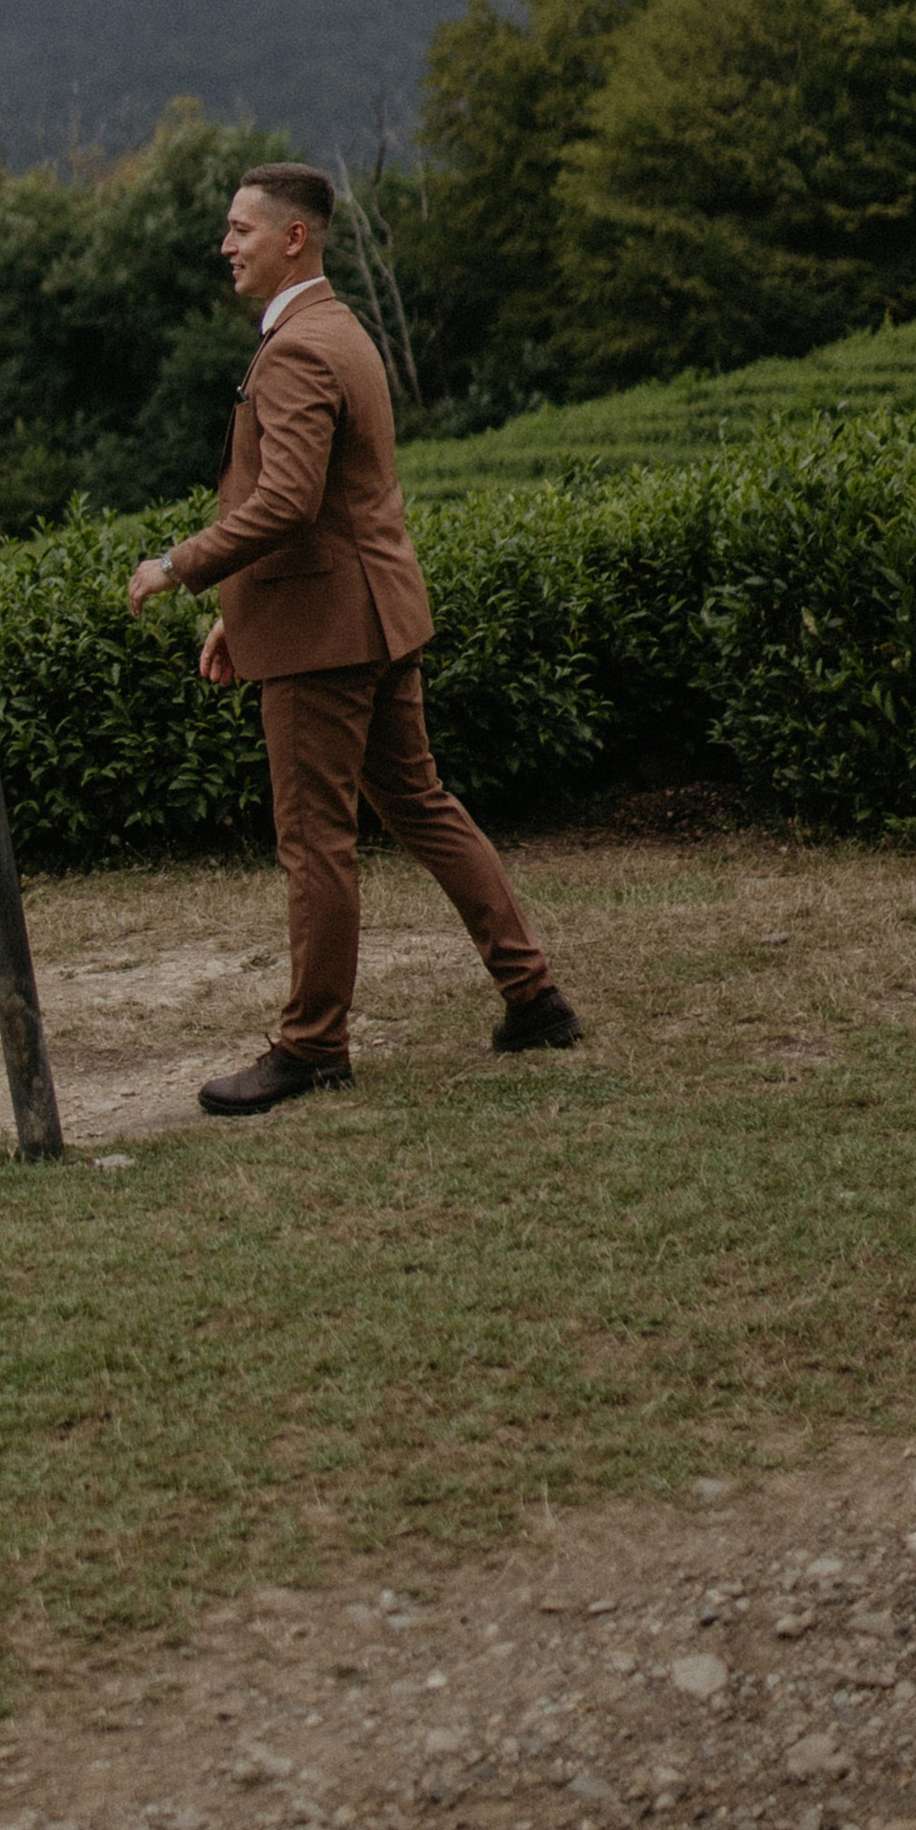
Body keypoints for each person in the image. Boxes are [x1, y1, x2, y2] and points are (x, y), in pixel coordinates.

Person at [125, 159, 579, 1114]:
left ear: (295, 237)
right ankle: (532, 995)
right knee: (421, 805)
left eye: (241, 228)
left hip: (326, 642)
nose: (226, 245)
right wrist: (238, 612)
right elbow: (333, 506)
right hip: (372, 617)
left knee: (316, 843)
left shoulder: (295, 348)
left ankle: (313, 1045)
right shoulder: (343, 331)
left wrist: (182, 566)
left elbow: (285, 501)